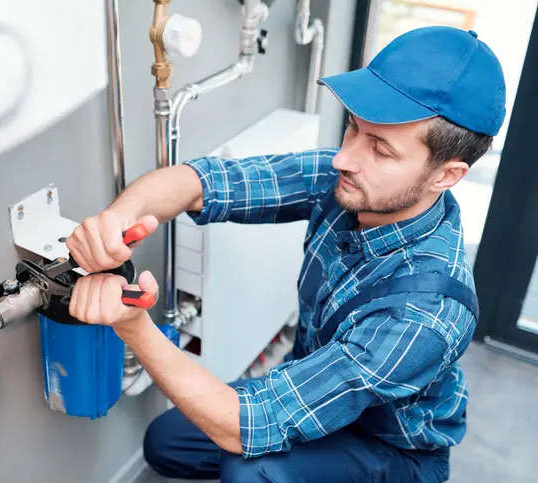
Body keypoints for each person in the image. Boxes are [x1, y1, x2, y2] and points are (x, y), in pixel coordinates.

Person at [64, 26, 505, 482]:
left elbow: (243, 428)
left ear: (446, 176)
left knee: (249, 468)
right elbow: (201, 183)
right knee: (167, 442)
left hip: (393, 449)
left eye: (381, 150)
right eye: (353, 128)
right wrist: (115, 220)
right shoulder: (350, 183)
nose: (344, 159)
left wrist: (133, 326)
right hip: (323, 387)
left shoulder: (428, 313)